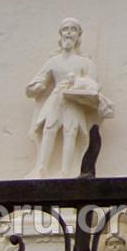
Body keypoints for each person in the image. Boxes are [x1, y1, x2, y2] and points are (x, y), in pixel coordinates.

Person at [25, 18, 113, 177]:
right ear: (61, 35)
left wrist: (78, 83)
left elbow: (94, 84)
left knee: (70, 131)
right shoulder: (53, 61)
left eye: (73, 30)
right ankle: (42, 167)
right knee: (49, 129)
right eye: (65, 29)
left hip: (73, 100)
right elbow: (38, 81)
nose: (69, 33)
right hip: (56, 99)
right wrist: (38, 86)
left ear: (78, 36)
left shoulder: (85, 62)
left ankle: (66, 170)